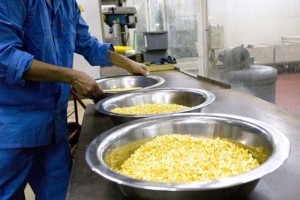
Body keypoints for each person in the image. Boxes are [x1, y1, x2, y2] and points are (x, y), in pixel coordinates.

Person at [0, 0, 149, 199]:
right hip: (13, 130)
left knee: (62, 194)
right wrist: (71, 76)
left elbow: (86, 43)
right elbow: (5, 57)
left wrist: (127, 63)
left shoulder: (66, 3)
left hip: (54, 127)